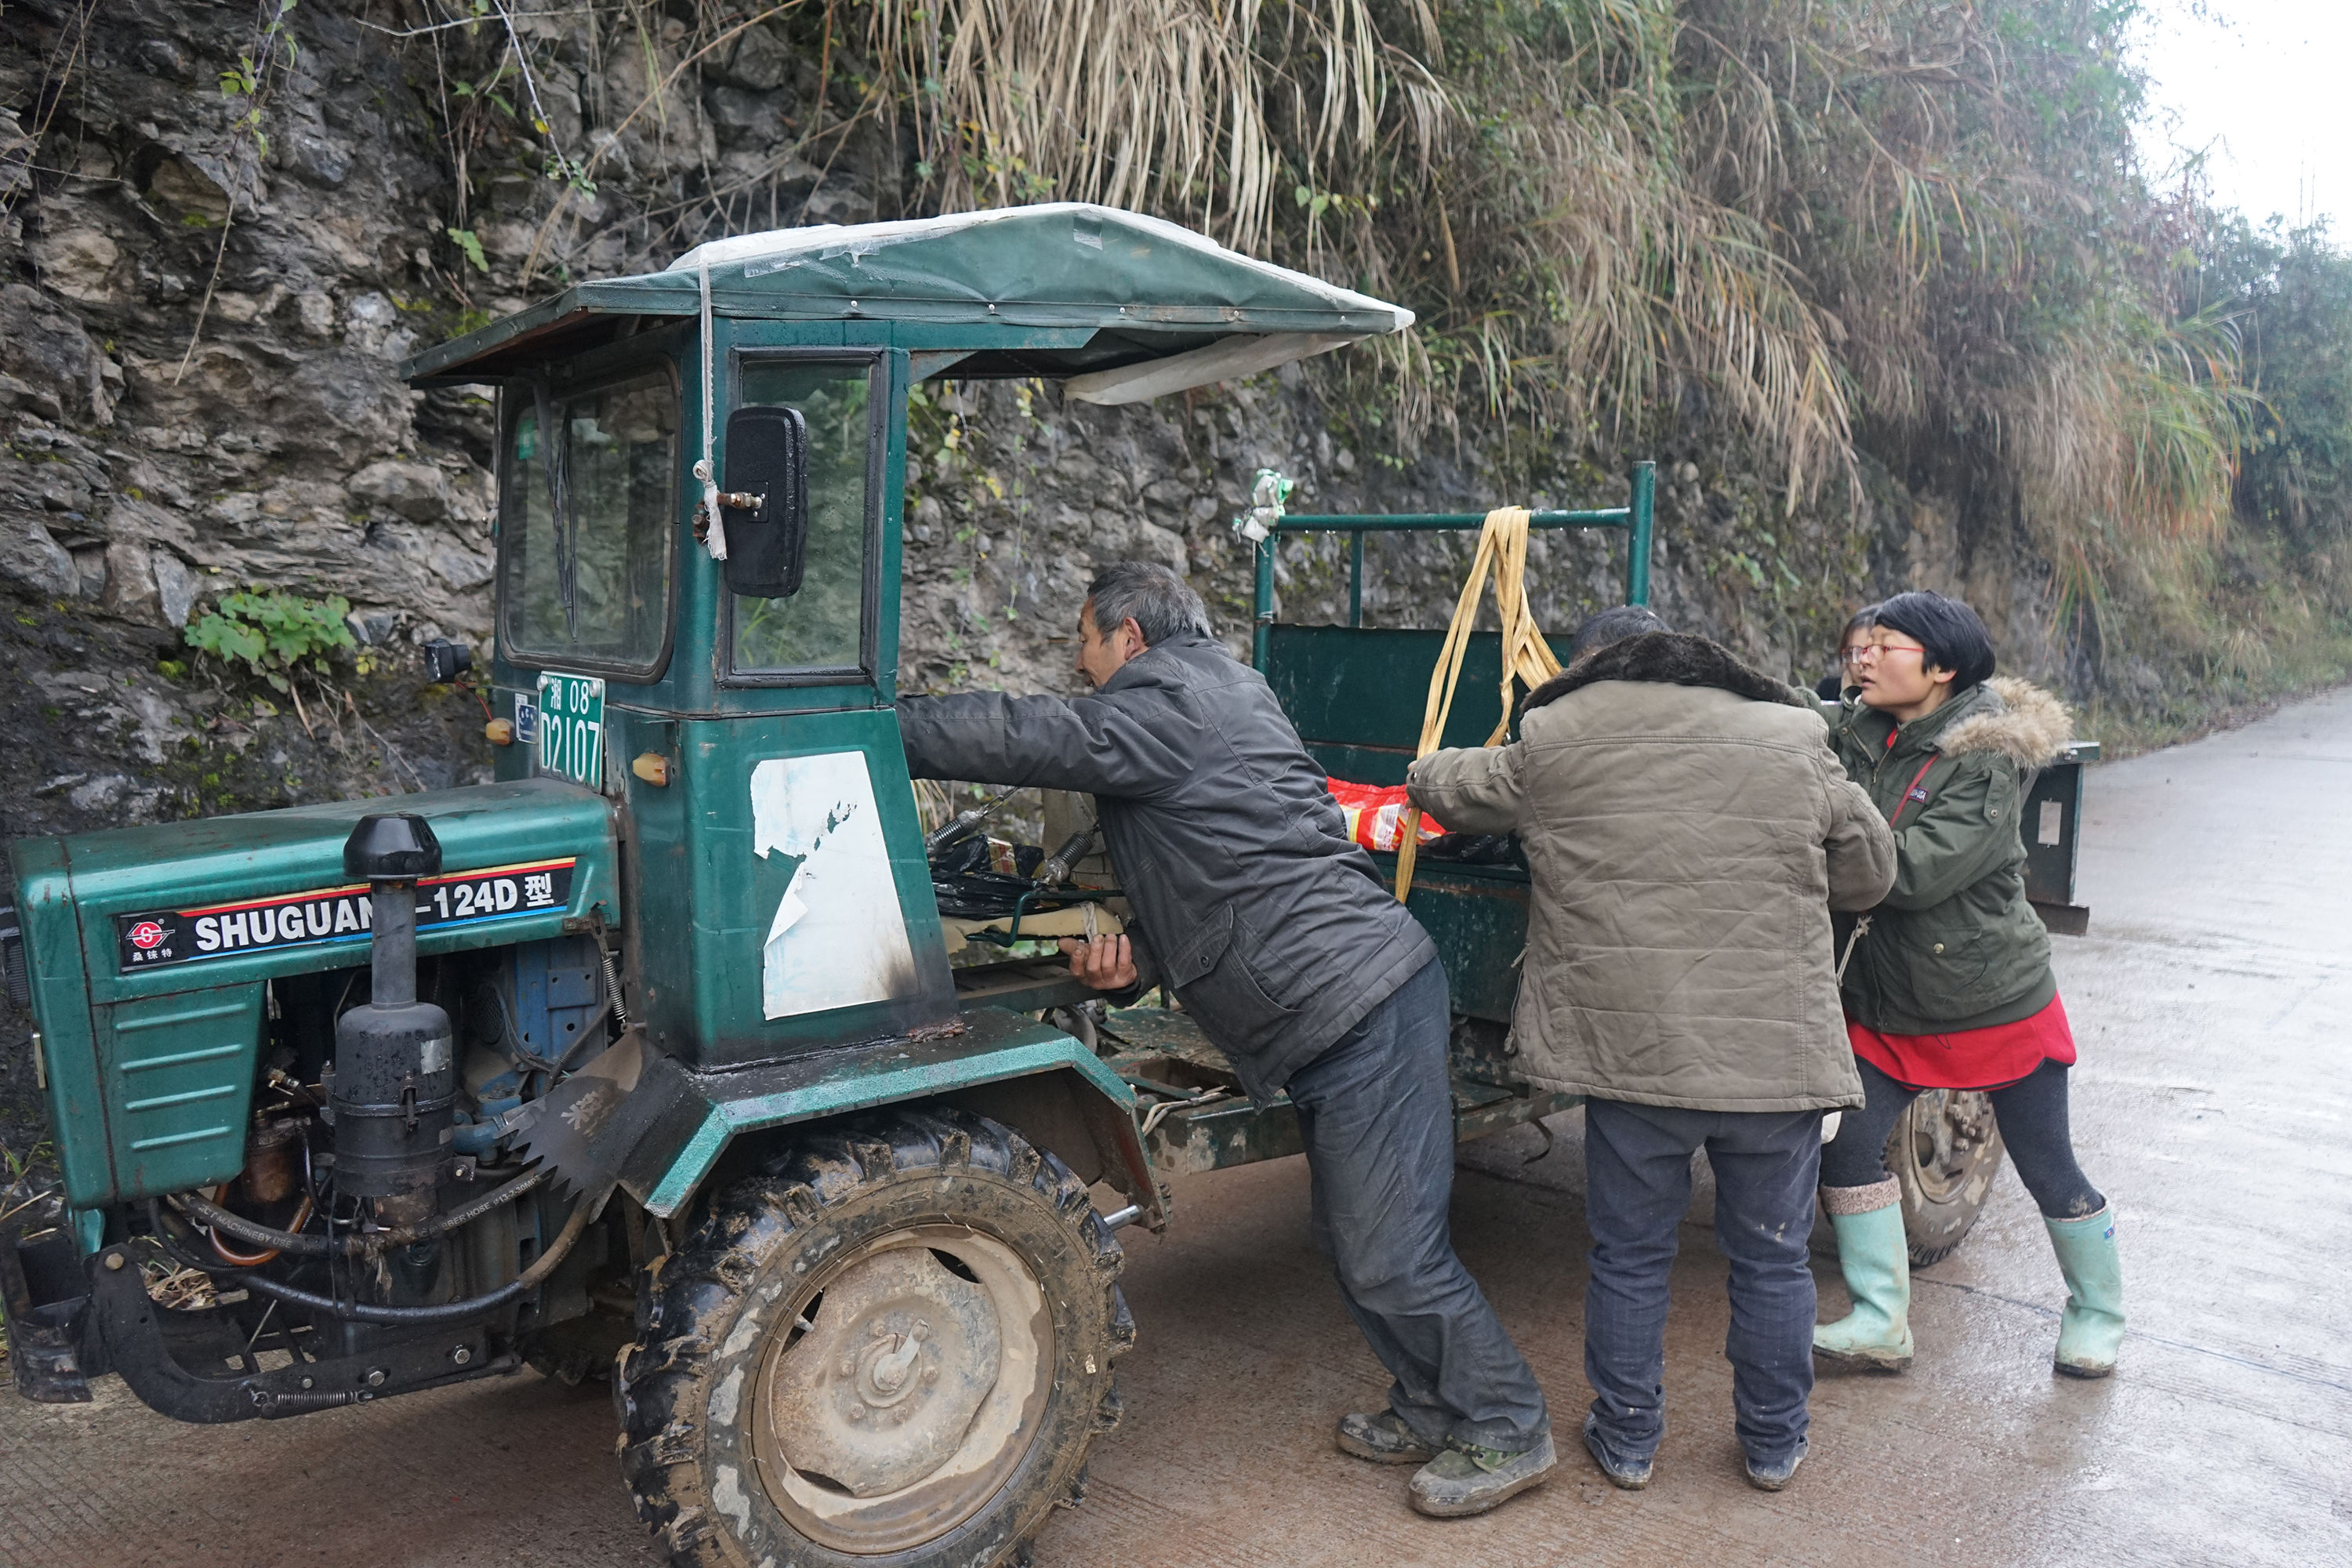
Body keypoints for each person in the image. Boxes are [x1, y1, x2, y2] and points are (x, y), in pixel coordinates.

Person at [895, 561, 1556, 1518]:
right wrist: (1142, 965)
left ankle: (1506, 1422)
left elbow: (1027, 733)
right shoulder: (1223, 691)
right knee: (1355, 1235)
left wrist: (879, 723)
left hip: (1353, 996)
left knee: (1391, 1250)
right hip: (1346, 993)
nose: (1079, 667)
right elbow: (1236, 863)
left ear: (1130, 636)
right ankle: (1430, 1398)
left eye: (1084, 641)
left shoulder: (1169, 696)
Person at [1405, 608, 1895, 1494]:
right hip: (1772, 1056)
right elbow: (1870, 873)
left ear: (1592, 666)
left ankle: (1628, 1439)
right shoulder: (1795, 734)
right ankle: (1774, 1442)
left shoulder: (1557, 731)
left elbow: (1458, 789)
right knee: (1774, 1256)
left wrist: (1417, 768)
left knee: (1630, 1255)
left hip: (1633, 1058)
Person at [1815, 590, 2124, 1377]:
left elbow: (1912, 873)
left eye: (1887, 646)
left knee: (2047, 1165)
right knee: (1847, 1147)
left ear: (1942, 667)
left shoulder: (1986, 757)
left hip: (1991, 1001)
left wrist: (1803, 861)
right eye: (1864, 644)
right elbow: (1792, 718)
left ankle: (2098, 1311)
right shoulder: (1863, 729)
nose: (1865, 656)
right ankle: (1882, 1317)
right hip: (1888, 1001)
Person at [1815, 605, 1879, 702]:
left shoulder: (1898, 703)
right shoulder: (1828, 691)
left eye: (1872, 652)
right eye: (1855, 653)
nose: (1863, 662)